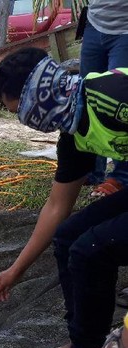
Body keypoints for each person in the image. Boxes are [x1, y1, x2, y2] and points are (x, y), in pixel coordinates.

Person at [0, 47, 128, 348]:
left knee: (92, 248)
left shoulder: (113, 97)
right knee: (69, 237)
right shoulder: (74, 133)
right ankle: (85, 340)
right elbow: (56, 207)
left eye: (22, 110)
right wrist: (14, 271)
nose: (27, 120)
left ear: (40, 91)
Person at [79, 0, 128, 199]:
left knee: (119, 103)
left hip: (125, 30)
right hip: (94, 23)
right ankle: (91, 170)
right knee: (87, 99)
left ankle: (121, 177)